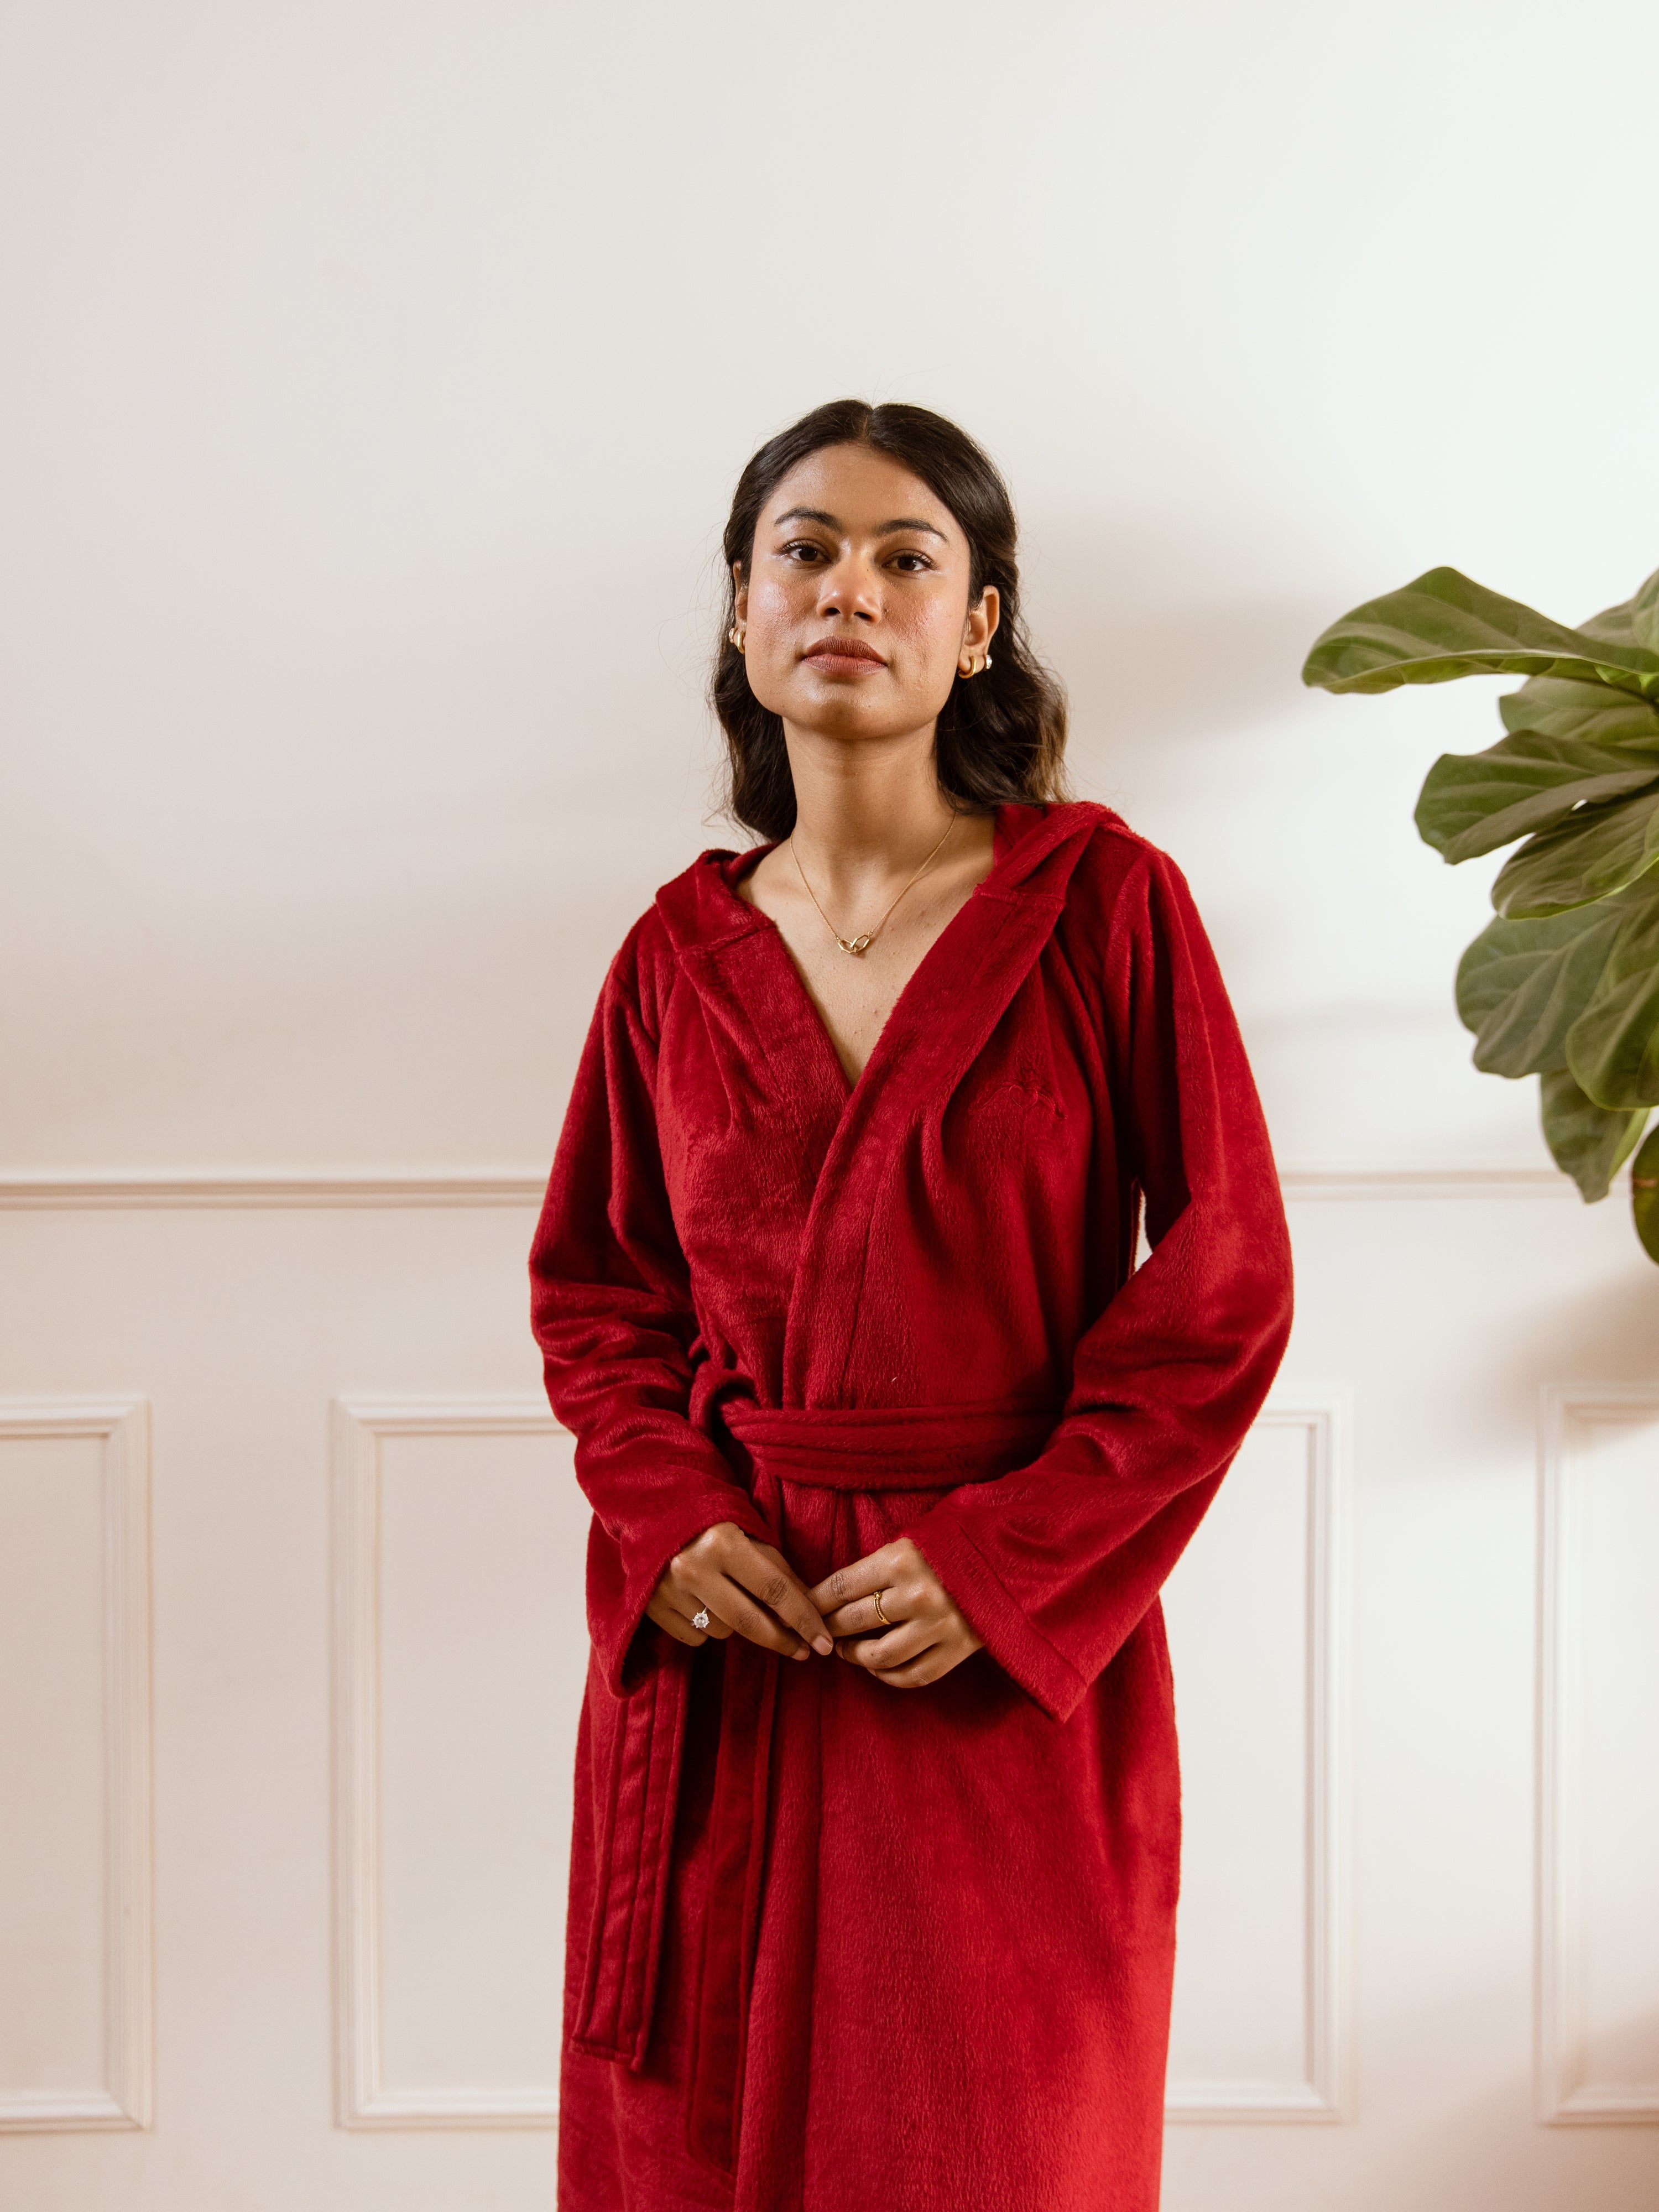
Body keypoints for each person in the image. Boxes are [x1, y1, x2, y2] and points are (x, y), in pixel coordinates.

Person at [529, 398, 1293, 2210]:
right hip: (734, 1659)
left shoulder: (1105, 907)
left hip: (992, 1667)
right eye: (803, 550)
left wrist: (1005, 1565)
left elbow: (1224, 1283)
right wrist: (670, 1516)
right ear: (742, 607)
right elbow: (599, 1298)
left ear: (979, 622)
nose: (848, 590)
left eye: (906, 557)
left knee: (995, 2149)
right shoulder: (672, 957)